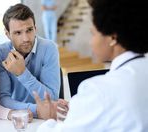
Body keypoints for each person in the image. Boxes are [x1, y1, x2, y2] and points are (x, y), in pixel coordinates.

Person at [36, 0, 148, 131]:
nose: (91, 42)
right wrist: (81, 107)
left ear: (112, 38)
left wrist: (49, 118)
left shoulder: (99, 90)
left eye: (93, 34)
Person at [0, 3, 60, 119]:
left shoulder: (49, 48)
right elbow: (3, 100)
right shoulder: (1, 53)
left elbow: (52, 98)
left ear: (35, 28)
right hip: (18, 118)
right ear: (7, 34)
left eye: (29, 30)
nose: (26, 39)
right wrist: (36, 110)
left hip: (45, 119)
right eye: (18, 33)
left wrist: (22, 73)